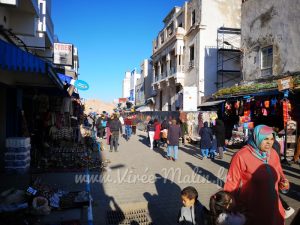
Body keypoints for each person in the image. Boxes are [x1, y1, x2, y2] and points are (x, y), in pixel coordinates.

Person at [224, 125, 289, 225]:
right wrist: (229, 208)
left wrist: (284, 183)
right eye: (265, 139)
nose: (269, 142)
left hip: (274, 210)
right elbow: (231, 184)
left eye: (272, 139)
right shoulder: (241, 156)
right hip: (253, 212)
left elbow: (280, 174)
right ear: (256, 137)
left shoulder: (274, 154)